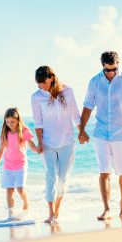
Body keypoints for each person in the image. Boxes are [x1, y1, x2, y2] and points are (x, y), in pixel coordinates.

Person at [78, 51, 122, 220]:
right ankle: (107, 209)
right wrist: (82, 130)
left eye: (114, 69)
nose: (111, 73)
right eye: (107, 70)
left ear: (118, 65)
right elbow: (88, 106)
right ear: (102, 66)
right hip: (101, 133)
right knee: (104, 172)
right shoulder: (94, 82)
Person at [31, 66, 81, 224]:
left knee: (63, 178)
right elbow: (38, 122)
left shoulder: (67, 91)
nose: (42, 86)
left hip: (67, 141)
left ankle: (57, 210)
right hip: (48, 143)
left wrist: (82, 132)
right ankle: (51, 213)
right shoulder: (36, 97)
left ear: (51, 77)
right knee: (50, 176)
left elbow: (75, 115)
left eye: (44, 83)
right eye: (39, 84)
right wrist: (39, 143)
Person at [0, 107, 37, 220]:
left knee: (20, 189)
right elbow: (1, 150)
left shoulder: (24, 131)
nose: (10, 124)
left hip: (21, 164)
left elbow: (31, 145)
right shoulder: (5, 133)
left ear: (18, 120)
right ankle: (11, 215)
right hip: (8, 166)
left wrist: (38, 149)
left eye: (12, 121)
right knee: (9, 190)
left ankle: (26, 203)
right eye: (7, 122)